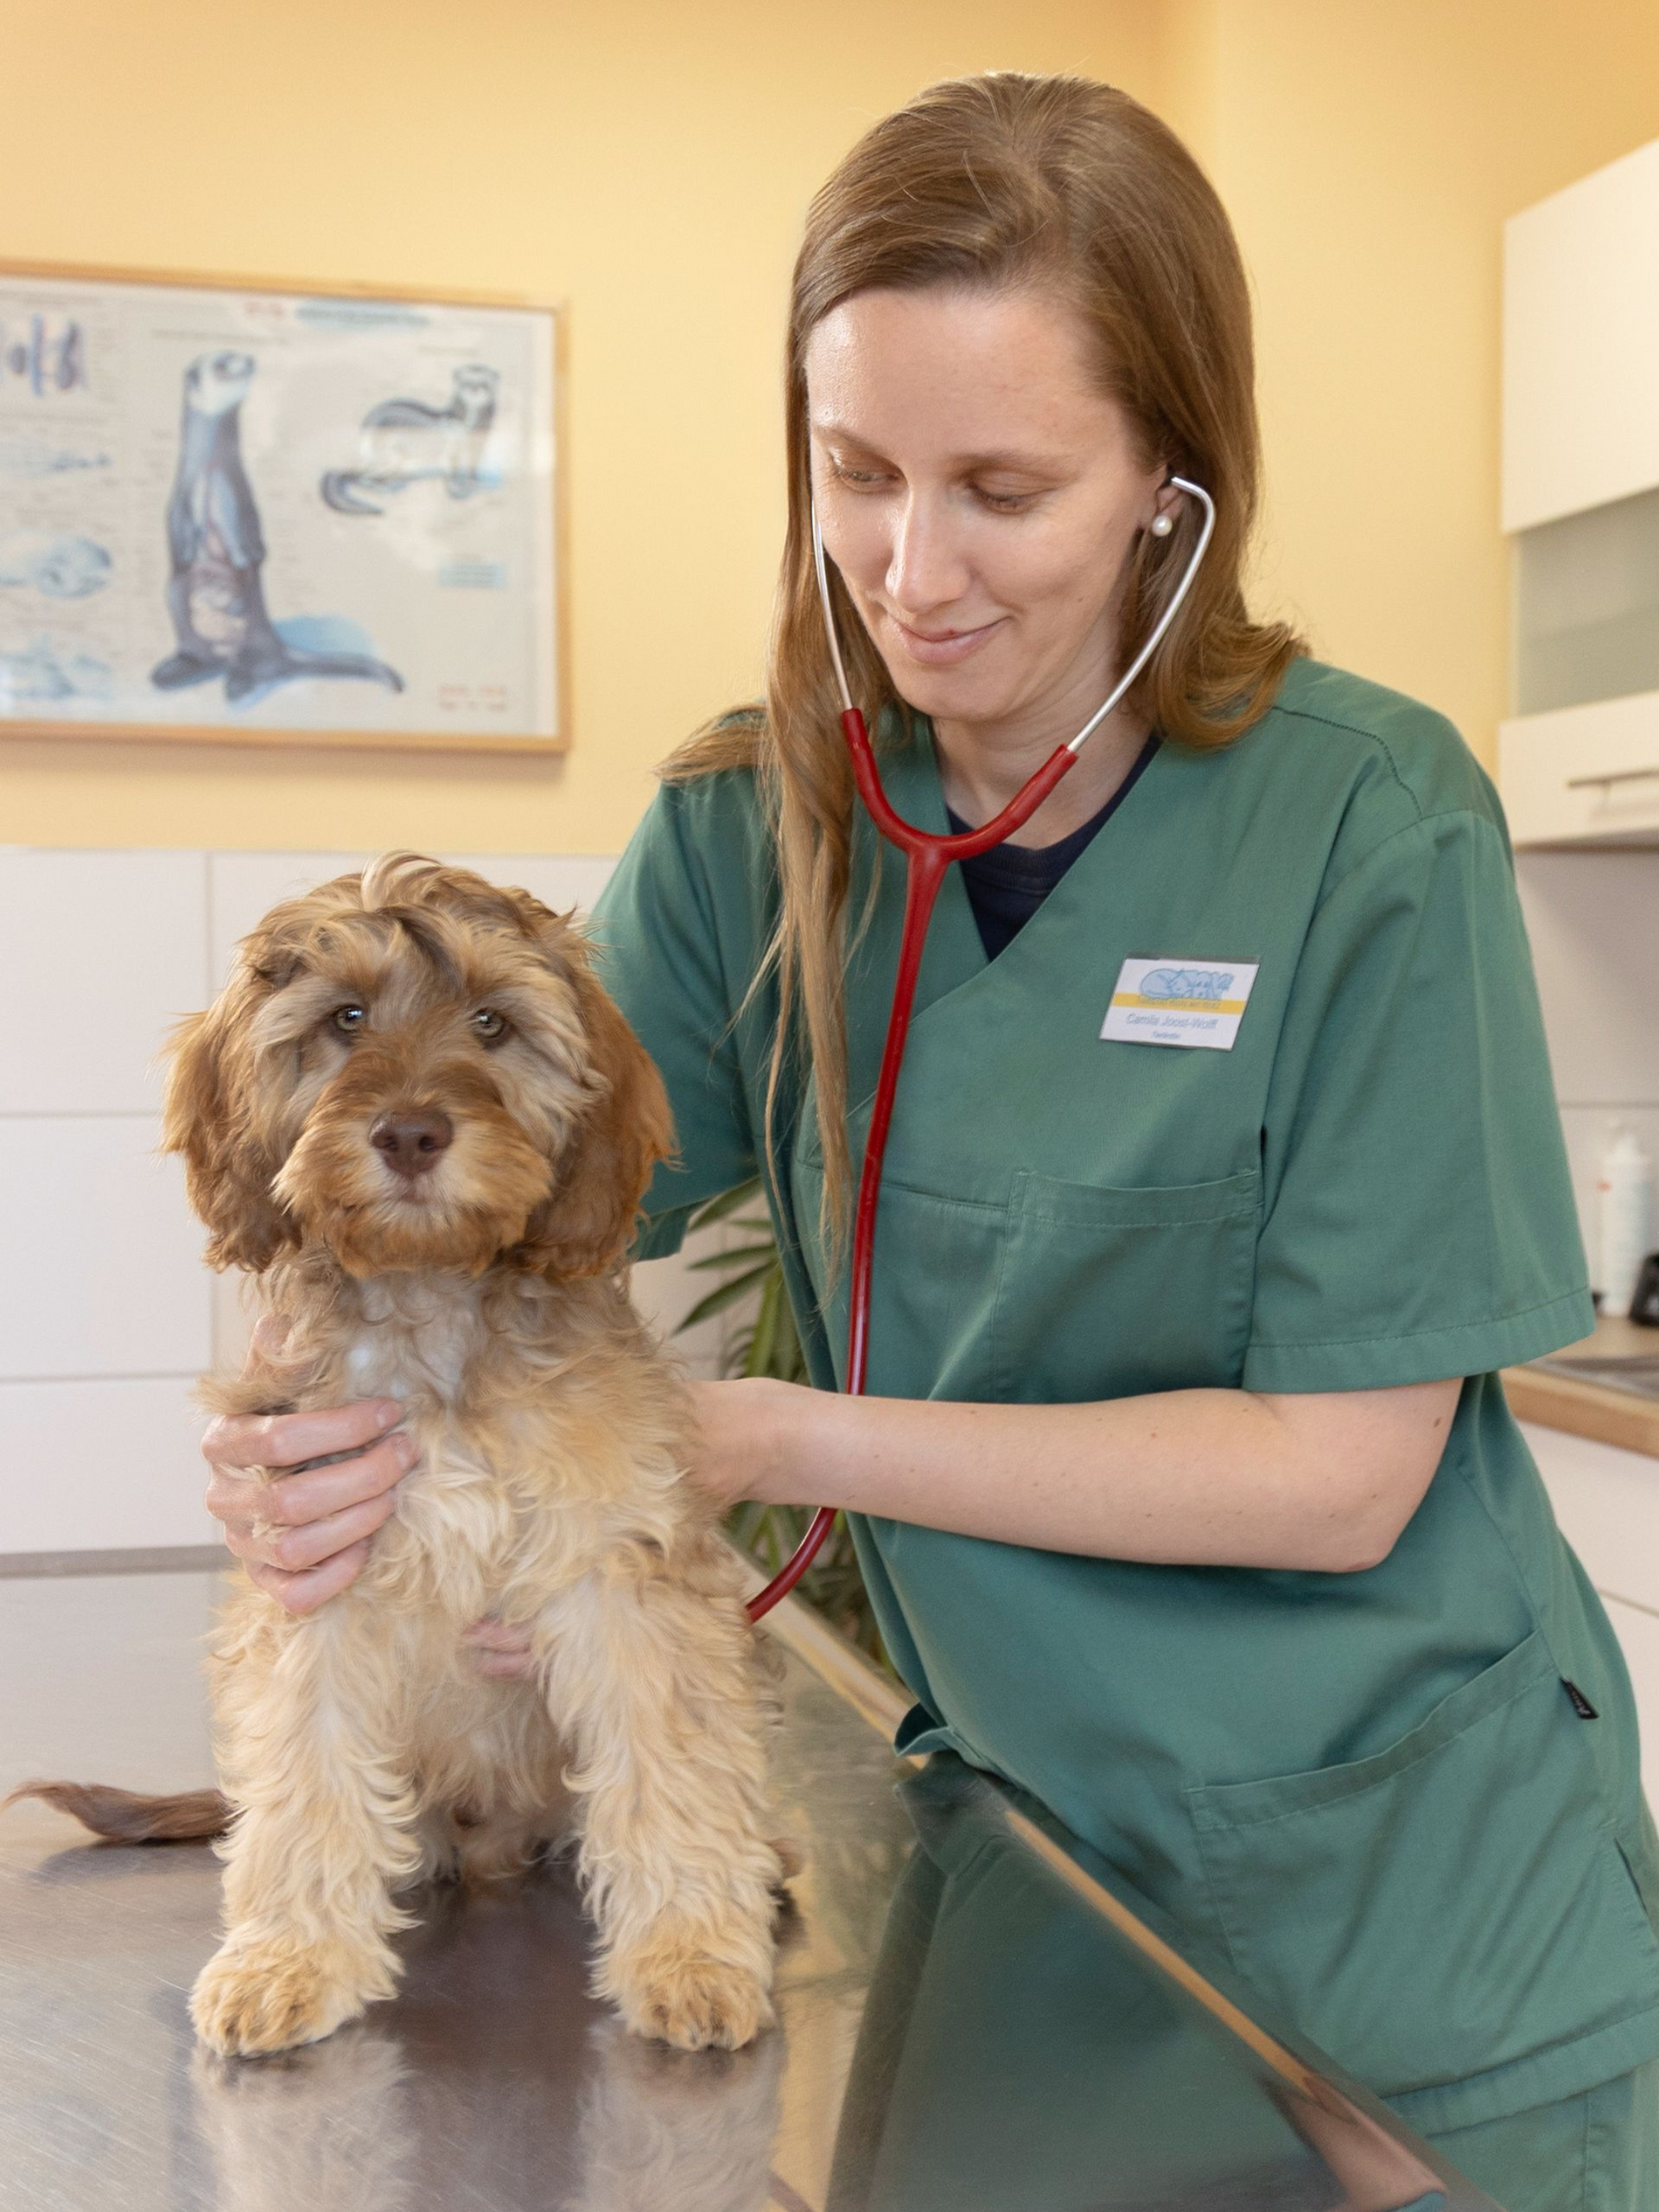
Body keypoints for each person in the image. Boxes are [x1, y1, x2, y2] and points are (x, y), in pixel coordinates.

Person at [198, 73, 1659, 2208]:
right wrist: (295, 1424)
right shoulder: (753, 823)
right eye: (858, 471)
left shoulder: (1372, 821)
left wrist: (769, 1436)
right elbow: (497, 1184)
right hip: (1022, 1856)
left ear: (1169, 483)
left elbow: (1340, 1475)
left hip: (1409, 1872)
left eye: (1004, 487)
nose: (910, 568)